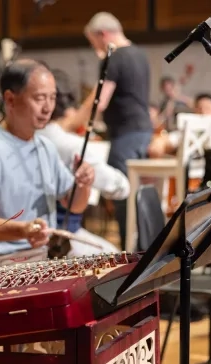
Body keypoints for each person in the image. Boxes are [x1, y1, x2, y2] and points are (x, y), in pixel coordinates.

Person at [0, 59, 96, 269]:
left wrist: (84, 183)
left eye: (52, 97)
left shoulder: (45, 147)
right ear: (10, 99)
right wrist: (22, 230)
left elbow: (74, 204)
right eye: (39, 98)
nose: (48, 107)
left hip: (40, 256)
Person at [75, 12, 153, 250]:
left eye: (94, 41)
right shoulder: (140, 54)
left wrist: (72, 121)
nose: (95, 48)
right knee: (134, 194)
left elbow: (101, 100)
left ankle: (130, 255)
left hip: (125, 133)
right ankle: (141, 249)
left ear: (103, 34)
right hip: (142, 130)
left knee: (121, 193)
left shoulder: (114, 57)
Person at [37, 68, 127, 254]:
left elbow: (74, 201)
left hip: (35, 239)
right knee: (118, 261)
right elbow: (121, 187)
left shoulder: (27, 139)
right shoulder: (71, 145)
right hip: (58, 238)